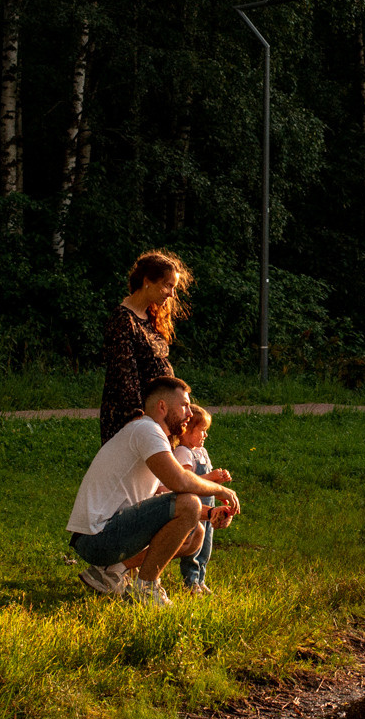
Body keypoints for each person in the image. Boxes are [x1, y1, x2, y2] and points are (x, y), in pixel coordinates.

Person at [68, 377, 240, 605]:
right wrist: (221, 489)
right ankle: (145, 588)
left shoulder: (151, 435)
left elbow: (163, 499)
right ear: (162, 406)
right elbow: (180, 482)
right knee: (189, 503)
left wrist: (210, 514)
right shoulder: (146, 429)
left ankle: (110, 572)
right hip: (98, 537)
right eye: (184, 405)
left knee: (196, 533)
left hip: (104, 536)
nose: (189, 413)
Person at [101, 251, 191, 443]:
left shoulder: (150, 316)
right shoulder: (123, 320)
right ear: (147, 280)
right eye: (167, 285)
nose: (171, 293)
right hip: (135, 418)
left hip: (157, 415)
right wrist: (137, 417)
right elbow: (125, 375)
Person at [171, 404, 235, 595]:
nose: (205, 435)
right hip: (195, 508)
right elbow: (186, 481)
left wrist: (219, 484)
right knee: (193, 545)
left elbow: (207, 482)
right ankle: (190, 582)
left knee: (206, 545)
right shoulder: (183, 452)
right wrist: (211, 478)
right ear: (186, 430)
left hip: (209, 508)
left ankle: (200, 579)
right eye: (202, 431)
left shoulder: (201, 452)